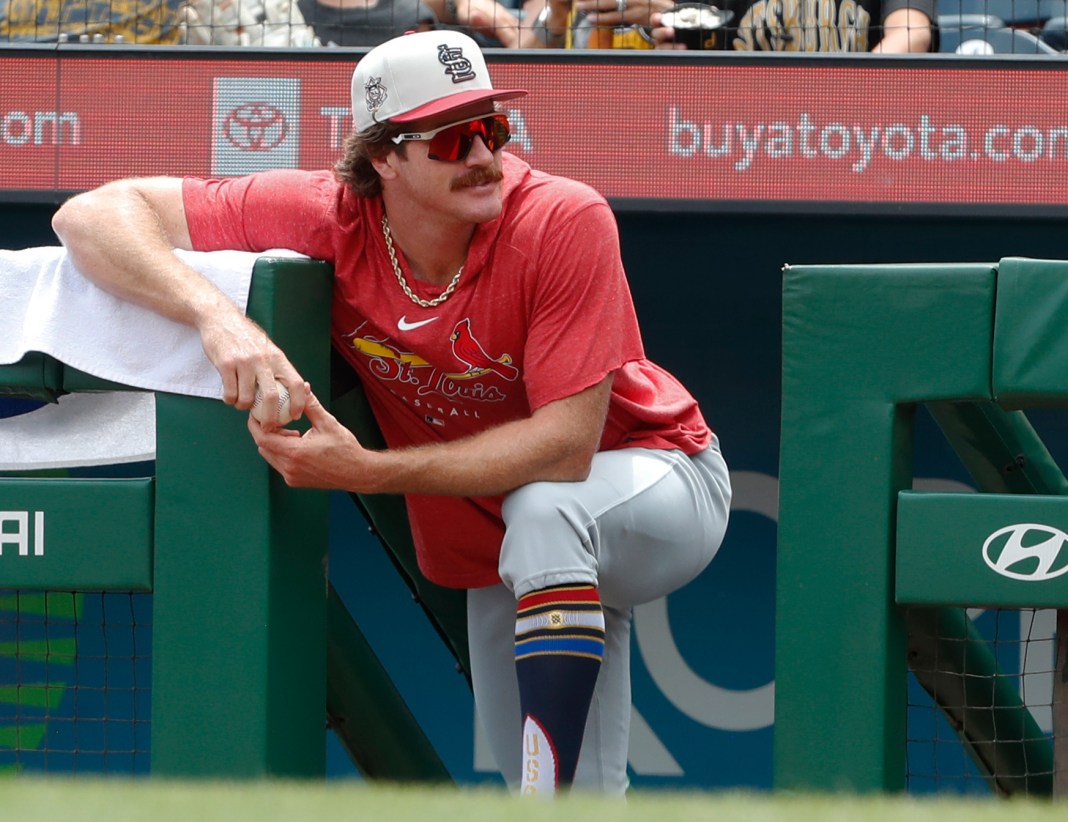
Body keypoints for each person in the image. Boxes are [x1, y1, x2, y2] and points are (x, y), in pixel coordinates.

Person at [51, 29, 731, 797]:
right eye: (450, 139)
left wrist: (366, 473)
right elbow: (92, 215)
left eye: (493, 130)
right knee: (559, 799)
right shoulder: (326, 216)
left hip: (659, 478)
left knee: (547, 510)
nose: (483, 156)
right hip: (502, 542)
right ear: (384, 157)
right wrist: (219, 320)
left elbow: (566, 450)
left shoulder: (562, 217)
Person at [525, 0, 935, 51]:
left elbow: (912, 33)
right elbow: (533, 59)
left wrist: (847, 88)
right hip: (731, 134)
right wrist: (557, 13)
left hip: (838, 133)